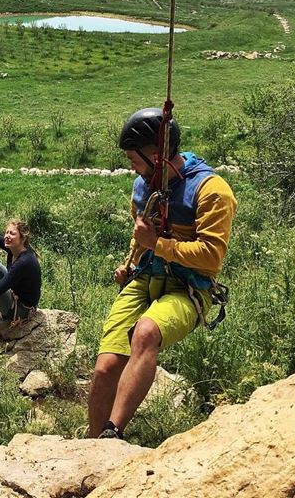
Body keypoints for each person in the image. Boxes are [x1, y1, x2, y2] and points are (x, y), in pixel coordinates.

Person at [88, 107, 237, 439]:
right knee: (106, 365)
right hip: (145, 277)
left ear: (157, 158)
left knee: (145, 333)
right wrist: (133, 257)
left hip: (189, 287)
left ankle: (113, 432)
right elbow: (140, 233)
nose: (130, 165)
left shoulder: (213, 192)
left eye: (133, 158)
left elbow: (211, 258)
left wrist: (156, 244)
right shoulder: (142, 188)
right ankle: (91, 440)